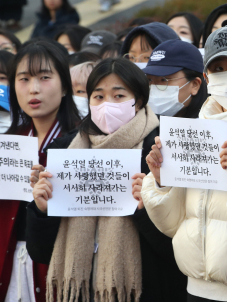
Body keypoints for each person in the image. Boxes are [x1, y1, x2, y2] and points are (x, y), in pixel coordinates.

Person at [137, 26, 227, 302]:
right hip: (195, 290)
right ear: (206, 77)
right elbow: (172, 224)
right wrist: (161, 182)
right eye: (218, 69)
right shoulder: (188, 134)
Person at [26, 58, 185, 302]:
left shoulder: (162, 149)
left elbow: (176, 250)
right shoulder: (66, 150)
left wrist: (148, 207)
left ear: (138, 100)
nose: (107, 104)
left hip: (145, 292)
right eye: (98, 97)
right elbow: (40, 252)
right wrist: (42, 210)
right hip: (82, 293)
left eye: (118, 96)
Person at [0, 39, 80, 302]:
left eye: (44, 77)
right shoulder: (9, 142)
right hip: (11, 260)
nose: (34, 89)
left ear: (65, 86)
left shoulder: (84, 142)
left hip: (63, 265)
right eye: (24, 79)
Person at [143, 39, 207, 118]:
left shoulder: (213, 126)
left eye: (164, 80)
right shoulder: (143, 125)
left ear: (195, 85)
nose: (153, 88)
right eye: (149, 80)